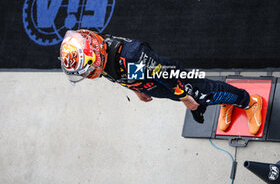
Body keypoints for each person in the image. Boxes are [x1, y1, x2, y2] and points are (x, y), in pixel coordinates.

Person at [59, 29, 263, 135]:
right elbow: (118, 75)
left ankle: (249, 101)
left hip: (170, 77)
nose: (90, 74)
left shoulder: (132, 56)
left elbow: (165, 74)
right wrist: (136, 90)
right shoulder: (98, 55)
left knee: (204, 94)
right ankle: (228, 102)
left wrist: (184, 97)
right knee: (203, 98)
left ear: (95, 54)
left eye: (88, 70)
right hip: (152, 83)